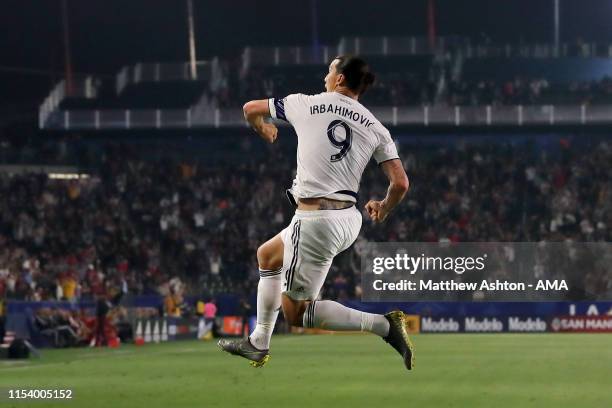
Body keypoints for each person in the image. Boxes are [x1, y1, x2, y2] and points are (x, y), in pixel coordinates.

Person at [219, 55, 413, 369]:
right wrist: (384, 207)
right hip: (348, 219)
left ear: (339, 79)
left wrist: (262, 129)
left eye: (329, 70)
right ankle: (259, 341)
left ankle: (385, 326)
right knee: (268, 256)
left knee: (297, 313)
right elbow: (401, 183)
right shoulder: (375, 126)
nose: (326, 75)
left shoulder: (304, 103)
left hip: (315, 220)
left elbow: (249, 109)